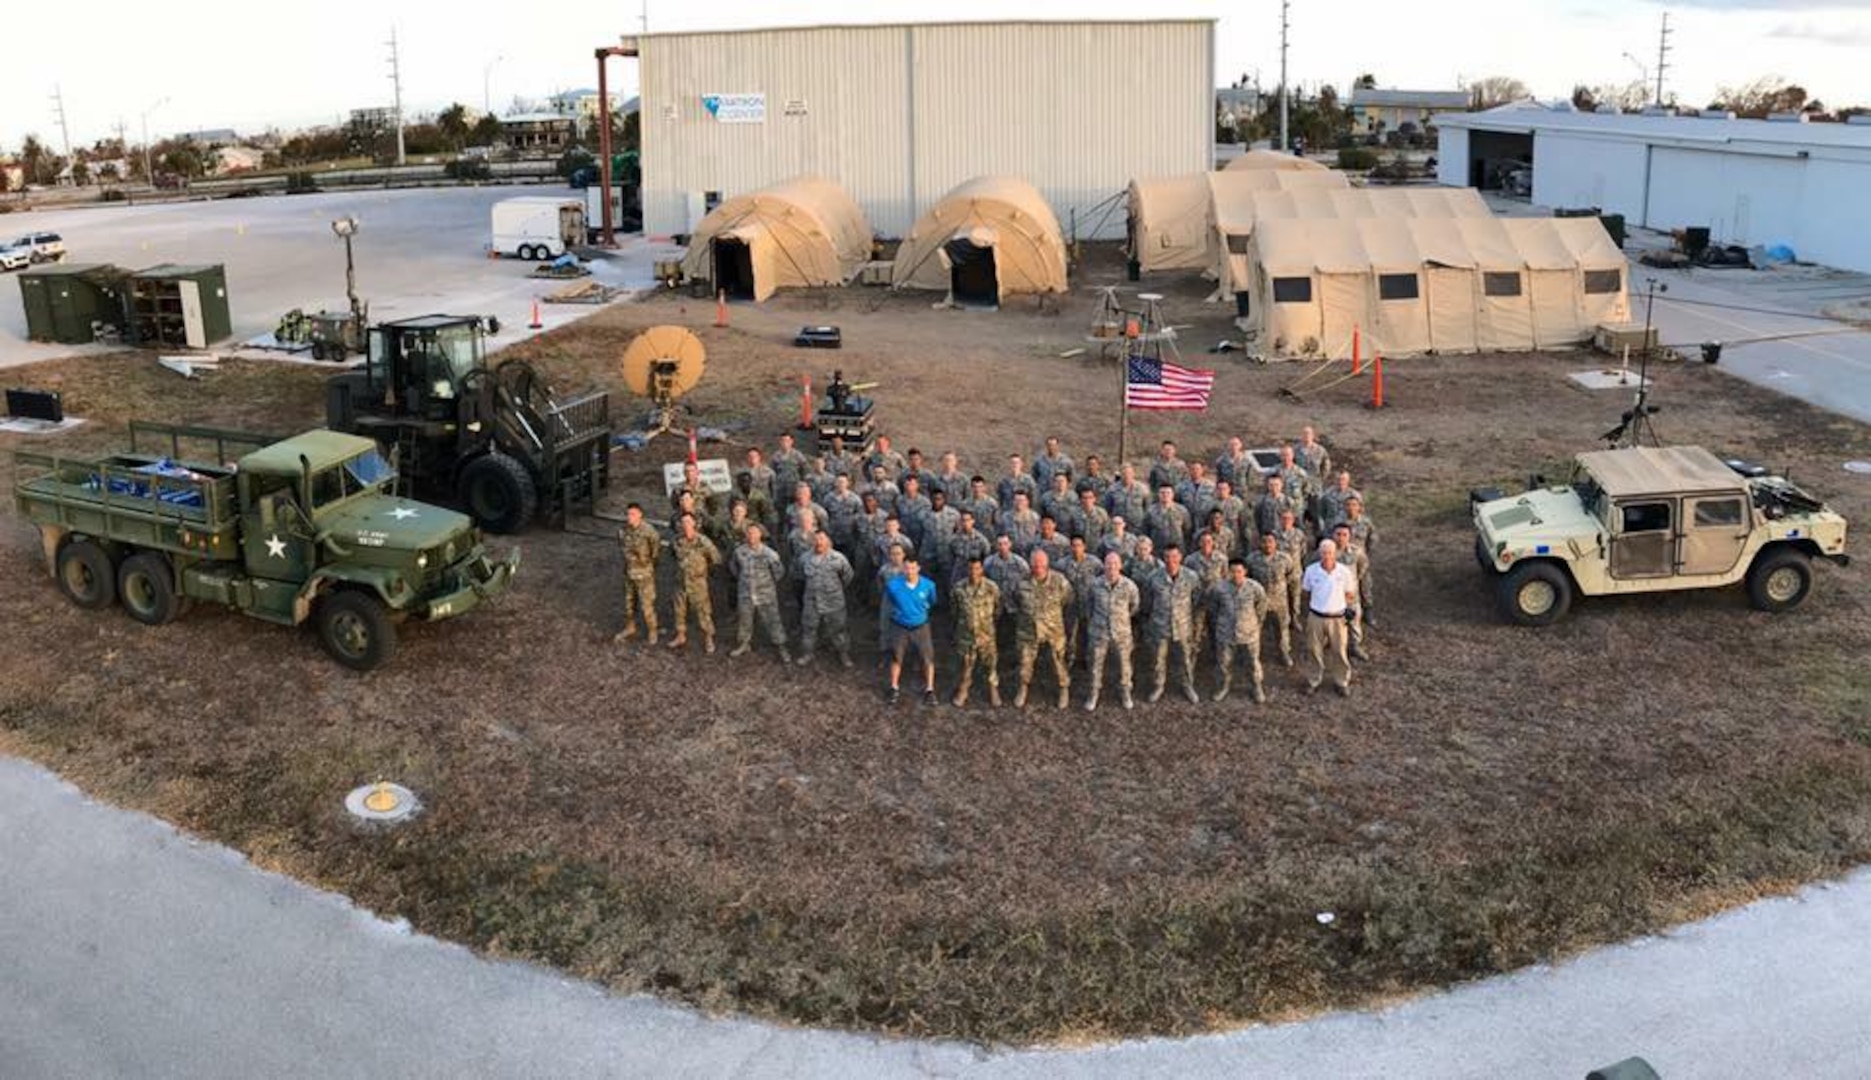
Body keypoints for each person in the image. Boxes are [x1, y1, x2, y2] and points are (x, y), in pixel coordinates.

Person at [1014, 549, 1074, 709]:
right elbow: (1016, 600)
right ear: (1030, 565)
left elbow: (1067, 599)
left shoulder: (1059, 581)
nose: (1038, 567)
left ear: (1047, 564)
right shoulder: (1021, 582)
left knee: (1059, 661)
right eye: (1035, 564)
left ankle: (1063, 688)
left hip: (1053, 630)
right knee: (1025, 661)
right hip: (1028, 631)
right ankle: (1023, 687)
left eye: (1041, 564)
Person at [1083, 552, 1142, 711]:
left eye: (1115, 563)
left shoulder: (1129, 586)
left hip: (1121, 633)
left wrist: (1121, 620)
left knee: (1124, 665)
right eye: (1108, 563)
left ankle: (1125, 692)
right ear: (1104, 565)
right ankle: (1093, 693)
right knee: (1095, 665)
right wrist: (1095, 623)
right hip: (1099, 632)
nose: (1112, 567)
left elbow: (1134, 607)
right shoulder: (1094, 585)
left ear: (1121, 566)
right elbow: (1088, 607)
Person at [1144, 545, 1202, 704]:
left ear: (1180, 557)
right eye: (1167, 557)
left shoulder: (1191, 577)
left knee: (1185, 659)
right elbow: (1147, 602)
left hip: (1183, 627)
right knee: (1158, 660)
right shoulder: (1153, 577)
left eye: (1174, 556)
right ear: (1163, 558)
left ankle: (1187, 685)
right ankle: (1158, 686)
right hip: (1160, 627)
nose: (1171, 560)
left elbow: (1196, 601)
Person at [1301, 538, 1356, 696]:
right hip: (1316, 617)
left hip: (1338, 618)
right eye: (1324, 552)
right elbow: (1306, 592)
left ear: (1335, 553)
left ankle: (1341, 681)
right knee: (1314, 650)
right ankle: (1314, 680)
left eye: (1330, 552)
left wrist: (1346, 610)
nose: (1327, 556)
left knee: (1339, 650)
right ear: (1320, 553)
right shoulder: (1311, 570)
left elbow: (1350, 594)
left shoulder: (1344, 571)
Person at [1210, 559, 1270, 703]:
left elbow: (1261, 608)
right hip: (1226, 633)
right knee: (1224, 663)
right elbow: (1213, 609)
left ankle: (1256, 687)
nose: (1235, 575)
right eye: (1232, 571)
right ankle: (1223, 686)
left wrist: (1254, 624)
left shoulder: (1255, 588)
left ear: (1245, 572)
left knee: (1253, 662)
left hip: (1249, 633)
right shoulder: (1219, 588)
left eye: (1239, 571)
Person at [729, 523, 790, 661]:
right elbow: (734, 568)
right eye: (749, 533)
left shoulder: (770, 554)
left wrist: (765, 584)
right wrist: (744, 581)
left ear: (760, 535)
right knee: (745, 620)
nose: (751, 536)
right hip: (745, 593)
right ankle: (744, 644)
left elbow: (779, 573)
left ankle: (781, 646)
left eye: (754, 533)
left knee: (773, 620)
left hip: (765, 594)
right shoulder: (739, 551)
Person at [883, 556, 939, 706]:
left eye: (913, 568)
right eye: (907, 568)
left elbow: (932, 601)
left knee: (928, 658)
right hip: (900, 626)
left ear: (918, 568)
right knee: (896, 657)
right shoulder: (893, 585)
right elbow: (891, 601)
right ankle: (894, 687)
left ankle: (930, 689)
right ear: (903, 568)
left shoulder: (929, 585)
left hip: (921, 626)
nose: (910, 571)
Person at [796, 531, 856, 668]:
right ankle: (807, 653)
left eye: (822, 539)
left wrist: (835, 590)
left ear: (828, 541)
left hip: (834, 601)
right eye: (816, 540)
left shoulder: (838, 558)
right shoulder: (804, 558)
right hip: (812, 601)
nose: (819, 542)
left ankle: (843, 654)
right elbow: (799, 576)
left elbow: (848, 577)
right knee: (809, 629)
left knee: (839, 629)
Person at [950, 556, 1003, 707]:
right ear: (967, 570)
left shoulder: (991, 587)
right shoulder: (958, 588)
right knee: (966, 664)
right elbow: (954, 610)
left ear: (982, 569)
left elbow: (998, 609)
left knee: (990, 664)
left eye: (977, 568)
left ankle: (993, 690)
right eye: (971, 568)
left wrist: (988, 625)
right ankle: (963, 689)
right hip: (966, 635)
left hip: (986, 635)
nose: (974, 572)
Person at [666, 512, 722, 653]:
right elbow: (672, 556)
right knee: (679, 610)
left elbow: (716, 559)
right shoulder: (676, 541)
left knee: (703, 611)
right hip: (680, 582)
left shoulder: (703, 541)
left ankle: (708, 638)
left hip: (697, 583)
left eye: (688, 522)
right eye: (682, 522)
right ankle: (681, 636)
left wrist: (703, 571)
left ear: (695, 524)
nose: (685, 525)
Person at [1245, 530, 1296, 666]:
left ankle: (1284, 652)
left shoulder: (1285, 559)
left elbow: (1290, 577)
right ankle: (1253, 656)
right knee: (1255, 629)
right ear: (1260, 543)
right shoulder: (1251, 559)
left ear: (1275, 543)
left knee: (1282, 629)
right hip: (1258, 602)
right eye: (1264, 542)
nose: (1267, 545)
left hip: (1279, 602)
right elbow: (1247, 580)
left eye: (1270, 542)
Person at [614, 503, 663, 644]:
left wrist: (649, 566)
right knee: (629, 603)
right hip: (629, 573)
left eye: (633, 514)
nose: (630, 517)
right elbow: (623, 548)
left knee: (646, 605)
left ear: (640, 515)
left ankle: (652, 630)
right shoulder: (623, 531)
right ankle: (630, 627)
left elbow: (656, 551)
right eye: (628, 514)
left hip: (644, 574)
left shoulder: (649, 531)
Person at [1331, 523, 1372, 660]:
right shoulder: (1326, 551)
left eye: (1344, 535)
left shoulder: (1357, 551)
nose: (1341, 538)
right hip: (1331, 595)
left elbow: (1362, 567)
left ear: (1349, 536)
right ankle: (1333, 644)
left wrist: (1353, 583)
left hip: (1350, 596)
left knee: (1354, 621)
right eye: (1338, 534)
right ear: (1333, 535)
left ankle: (1354, 646)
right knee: (1332, 621)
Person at [1058, 533, 1100, 668]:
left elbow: (1102, 579)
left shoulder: (1094, 563)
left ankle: (1089, 659)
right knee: (1070, 633)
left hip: (1088, 603)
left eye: (1079, 546)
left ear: (1084, 547)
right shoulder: (1062, 564)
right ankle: (1070, 658)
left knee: (1090, 632)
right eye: (1074, 546)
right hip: (1071, 605)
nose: (1076, 548)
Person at [1343, 495, 1379, 628]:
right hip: (1345, 560)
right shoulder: (1339, 522)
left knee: (1365, 585)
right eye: (1348, 505)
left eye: (1354, 505)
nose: (1351, 507)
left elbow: (1372, 539)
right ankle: (1345, 614)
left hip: (1361, 558)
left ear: (1359, 507)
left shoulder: (1366, 522)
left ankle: (1368, 611)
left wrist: (1367, 554)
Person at [1275, 508, 1309, 636]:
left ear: (1293, 520)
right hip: (1279, 573)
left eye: (1289, 518)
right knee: (1281, 598)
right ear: (1279, 520)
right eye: (1283, 518)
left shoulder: (1299, 534)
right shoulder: (1274, 534)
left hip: (1295, 572)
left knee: (1295, 597)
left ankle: (1294, 618)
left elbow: (1303, 551)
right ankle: (1283, 620)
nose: (1286, 521)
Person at [946, 509, 994, 589]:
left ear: (973, 521)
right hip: (959, 576)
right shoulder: (953, 539)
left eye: (968, 520)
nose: (965, 523)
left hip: (975, 576)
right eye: (963, 520)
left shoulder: (981, 540)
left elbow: (986, 559)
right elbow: (950, 558)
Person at [822, 472, 864, 555]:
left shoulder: (855, 499)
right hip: (834, 535)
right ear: (835, 483)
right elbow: (825, 516)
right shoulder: (828, 498)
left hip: (850, 535)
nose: (841, 484)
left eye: (843, 482)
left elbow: (860, 516)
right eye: (838, 482)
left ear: (847, 483)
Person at [1146, 484, 1191, 554]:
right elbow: (1146, 531)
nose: (1165, 495)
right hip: (1157, 550)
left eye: (1168, 493)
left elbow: (1187, 531)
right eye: (1162, 493)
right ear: (1158, 494)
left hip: (1177, 550)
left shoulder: (1182, 510)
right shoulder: (1151, 511)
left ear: (1173, 494)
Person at [1104, 461, 1150, 528]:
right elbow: (1107, 509)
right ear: (1120, 475)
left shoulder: (1142, 489)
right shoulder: (1112, 490)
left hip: (1137, 527)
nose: (1126, 476)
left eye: (1129, 473)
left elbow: (1147, 507)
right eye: (1124, 473)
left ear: (1133, 474)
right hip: (1119, 527)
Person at [1319, 470, 1363, 534]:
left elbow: (1360, 512)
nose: (1341, 482)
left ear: (1348, 480)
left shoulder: (1355, 495)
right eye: (1338, 479)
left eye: (1343, 479)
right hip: (1331, 529)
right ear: (1334, 480)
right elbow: (1322, 512)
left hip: (1349, 529)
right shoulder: (1327, 494)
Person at [1253, 474, 1292, 540]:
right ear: (1268, 486)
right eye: (1271, 485)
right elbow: (1257, 519)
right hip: (1267, 537)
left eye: (1277, 485)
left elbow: (1293, 520)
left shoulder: (1288, 501)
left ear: (1281, 485)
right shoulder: (1262, 501)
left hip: (1284, 537)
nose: (1274, 488)